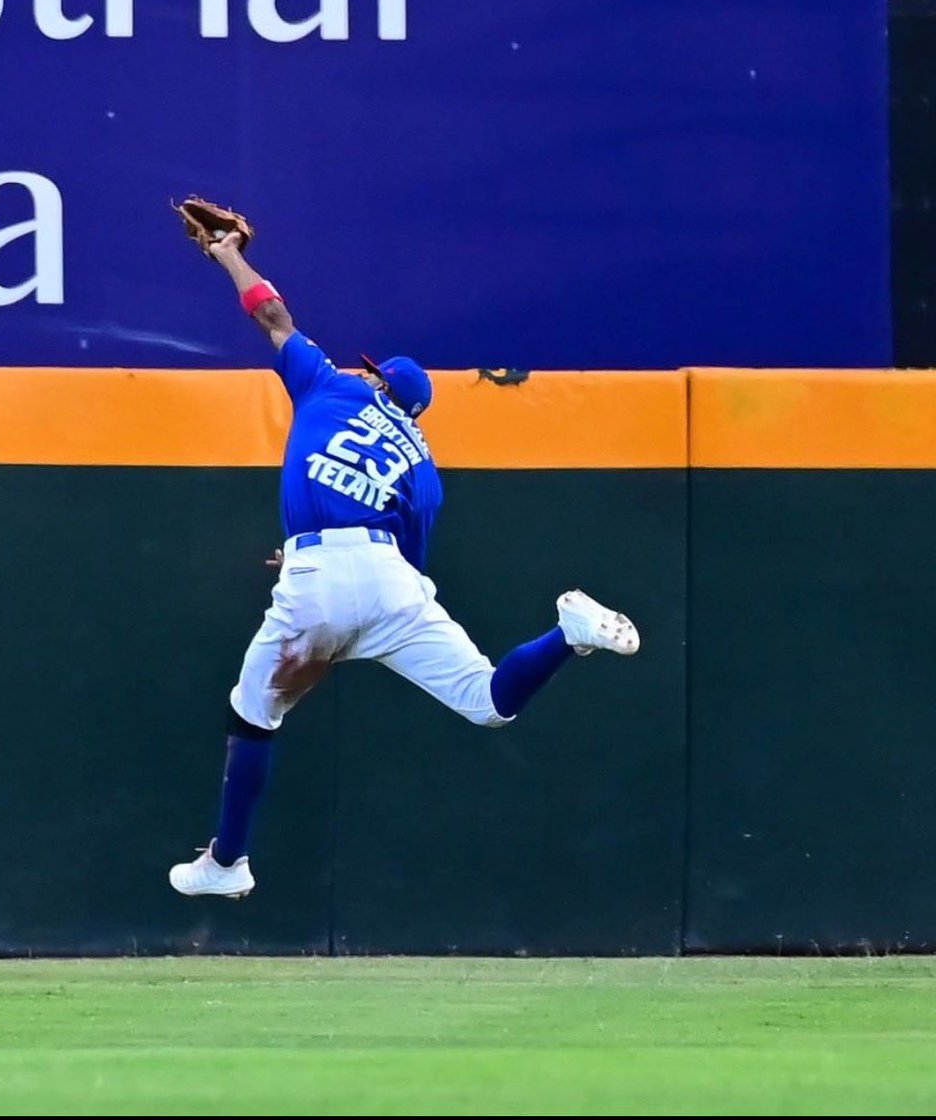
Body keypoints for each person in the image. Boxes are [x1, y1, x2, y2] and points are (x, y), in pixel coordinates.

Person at [169, 230, 639, 899]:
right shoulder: (424, 470)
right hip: (390, 581)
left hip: (320, 576)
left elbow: (271, 314)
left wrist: (227, 255)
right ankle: (566, 635)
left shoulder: (330, 386)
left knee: (253, 717)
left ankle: (227, 862)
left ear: (379, 383)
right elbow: (405, 563)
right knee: (487, 704)